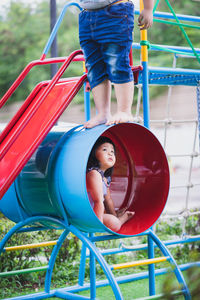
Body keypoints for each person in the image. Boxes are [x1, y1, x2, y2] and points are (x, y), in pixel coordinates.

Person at [79, 0, 154, 128]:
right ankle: (103, 113)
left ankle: (124, 110)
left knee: (117, 63)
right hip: (86, 16)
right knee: (94, 67)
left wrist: (147, 9)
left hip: (115, 12)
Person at [86, 136, 135, 232]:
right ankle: (122, 219)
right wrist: (99, 225)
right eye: (105, 150)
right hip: (89, 214)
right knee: (114, 222)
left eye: (112, 152)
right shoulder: (93, 174)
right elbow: (98, 201)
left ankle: (117, 217)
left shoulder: (104, 178)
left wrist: (114, 214)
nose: (110, 153)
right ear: (94, 153)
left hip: (94, 214)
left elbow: (107, 200)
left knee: (113, 218)